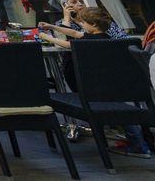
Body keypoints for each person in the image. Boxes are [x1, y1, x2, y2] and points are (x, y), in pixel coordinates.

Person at [41, 8, 152, 158]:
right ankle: (138, 143)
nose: (81, 26)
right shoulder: (104, 37)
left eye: (83, 23)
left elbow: (68, 44)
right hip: (114, 85)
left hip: (96, 90)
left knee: (118, 113)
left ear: (92, 24)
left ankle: (139, 146)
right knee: (121, 112)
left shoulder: (88, 42)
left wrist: (47, 37)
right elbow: (74, 34)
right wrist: (52, 27)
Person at [52, 0, 127, 39]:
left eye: (81, 1)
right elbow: (64, 42)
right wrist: (67, 19)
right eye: (74, 2)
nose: (80, 4)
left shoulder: (96, 18)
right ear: (65, 6)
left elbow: (122, 37)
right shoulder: (60, 24)